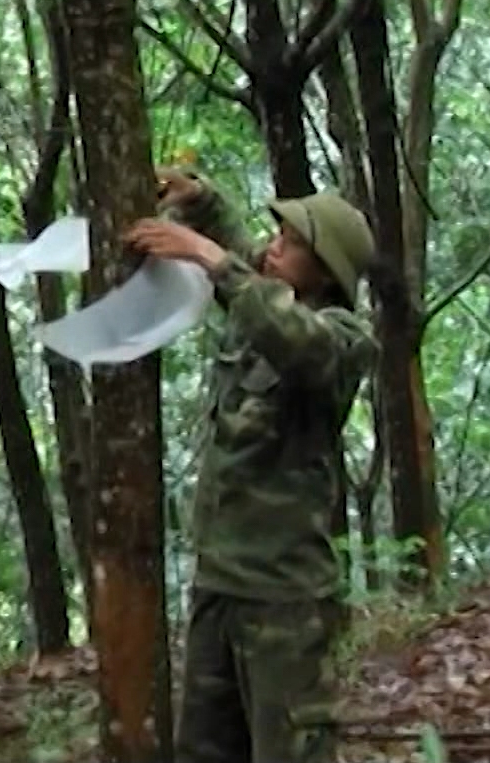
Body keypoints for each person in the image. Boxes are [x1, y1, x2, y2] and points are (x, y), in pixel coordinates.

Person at [125, 166, 379, 763]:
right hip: (220, 585)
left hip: (283, 598)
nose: (271, 248)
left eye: (289, 244)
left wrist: (210, 257)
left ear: (325, 268)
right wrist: (200, 202)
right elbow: (247, 274)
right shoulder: (266, 300)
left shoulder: (342, 339)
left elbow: (285, 329)